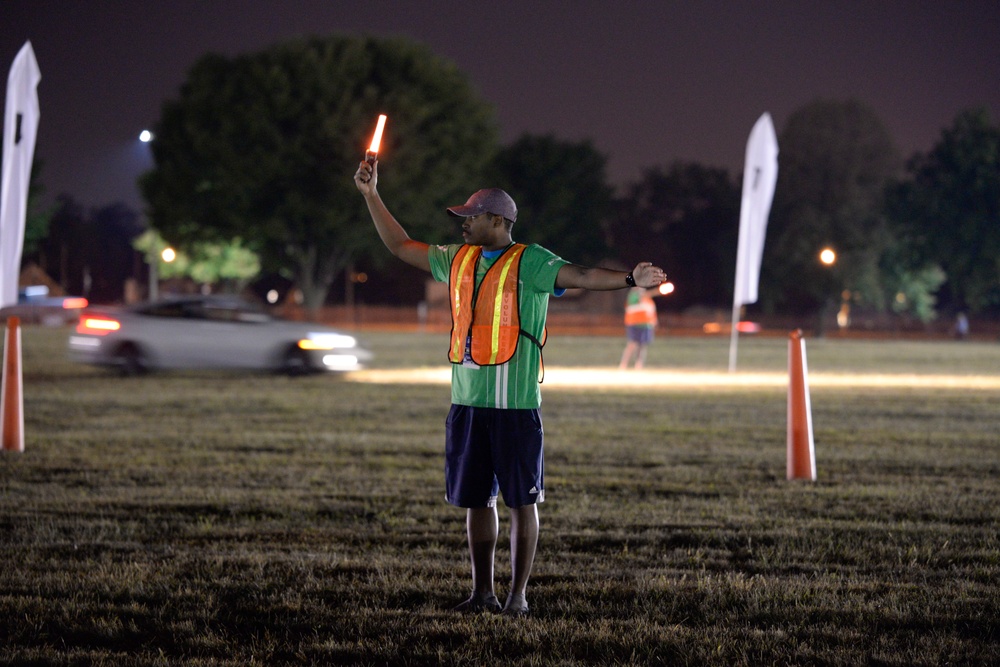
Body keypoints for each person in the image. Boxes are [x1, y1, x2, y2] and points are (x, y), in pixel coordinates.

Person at [354, 158, 667, 617]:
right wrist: (371, 195)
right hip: (467, 403)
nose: (463, 224)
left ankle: (518, 596)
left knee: (522, 501)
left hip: (516, 406)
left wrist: (628, 280)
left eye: (471, 217)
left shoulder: (532, 261)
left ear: (498, 221)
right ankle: (483, 593)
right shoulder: (455, 260)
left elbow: (580, 276)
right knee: (476, 501)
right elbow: (401, 246)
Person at [619, 286, 658, 370]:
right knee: (632, 344)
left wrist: (654, 323)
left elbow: (652, 313)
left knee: (642, 345)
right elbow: (635, 300)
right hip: (634, 324)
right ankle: (623, 365)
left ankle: (639, 365)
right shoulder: (633, 297)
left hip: (646, 325)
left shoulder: (649, 301)